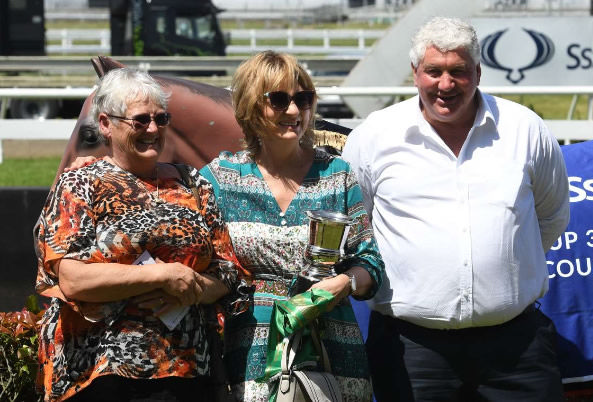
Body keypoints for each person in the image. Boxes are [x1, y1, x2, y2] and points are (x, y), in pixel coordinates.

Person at [342, 17, 570, 402]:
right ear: (415, 73)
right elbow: (354, 228)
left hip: (517, 349)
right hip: (410, 350)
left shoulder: (525, 129)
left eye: (458, 72)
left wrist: (502, 273)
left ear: (478, 72)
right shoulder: (374, 137)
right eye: (434, 71)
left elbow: (551, 217)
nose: (445, 85)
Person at [34, 68, 247, 402]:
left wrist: (193, 289)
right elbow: (72, 278)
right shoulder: (80, 184)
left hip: (189, 371)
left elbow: (228, 271)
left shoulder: (194, 183)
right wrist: (164, 275)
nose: (153, 129)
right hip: (101, 373)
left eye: (161, 119)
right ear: (105, 124)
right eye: (140, 120)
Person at [199, 50, 385, 401]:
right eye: (280, 100)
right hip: (251, 351)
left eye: (303, 99)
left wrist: (344, 283)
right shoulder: (220, 178)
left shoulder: (337, 175)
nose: (295, 112)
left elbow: (371, 263)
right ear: (252, 106)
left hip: (331, 353)